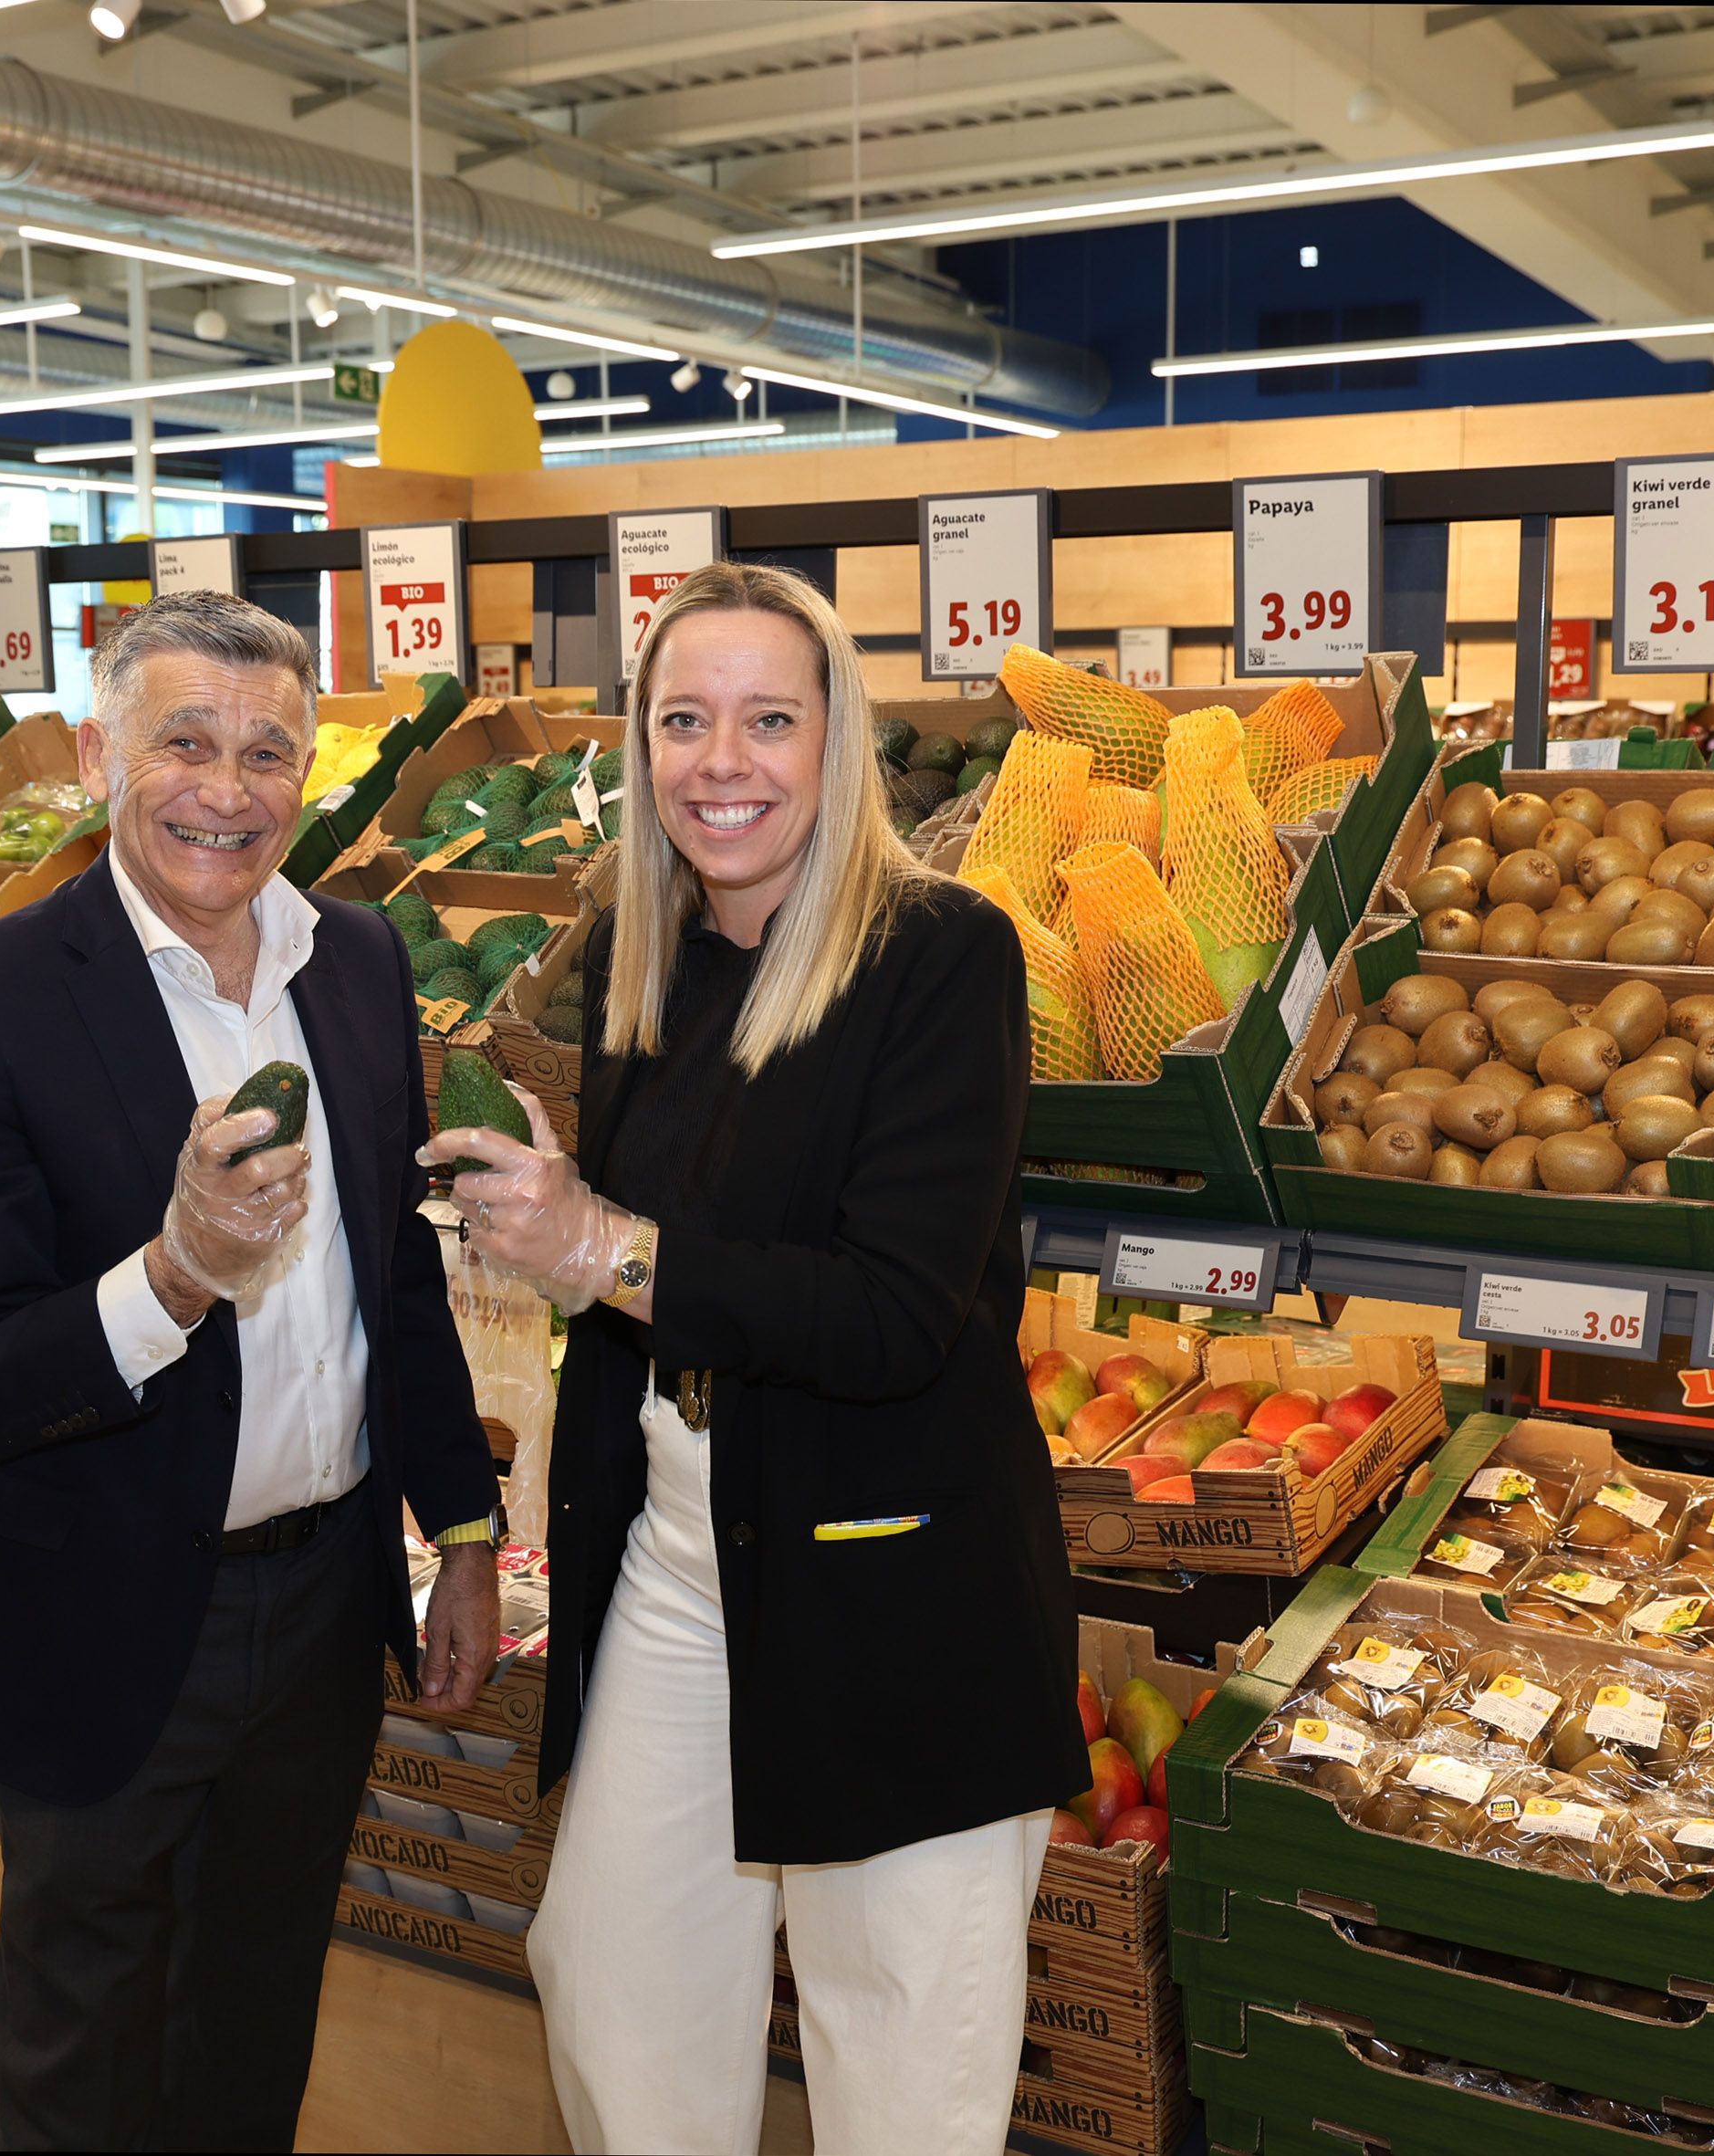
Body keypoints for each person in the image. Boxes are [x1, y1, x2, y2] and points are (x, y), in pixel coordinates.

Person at [430, 561, 1081, 2156]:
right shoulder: (648, 957)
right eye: (686, 719)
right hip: (680, 1553)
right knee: (613, 1983)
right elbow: (667, 1281)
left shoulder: (940, 957)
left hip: (890, 1571)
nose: (725, 759)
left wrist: (601, 1250)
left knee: (901, 2053)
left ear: (838, 739)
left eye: (769, 719)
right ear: (642, 748)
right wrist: (540, 1235)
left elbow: (890, 1312)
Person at [0, 592, 506, 2152]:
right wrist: (174, 1275)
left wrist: (467, 1532)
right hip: (105, 1601)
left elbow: (396, 1277)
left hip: (324, 1603)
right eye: (185, 742)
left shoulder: (349, 960)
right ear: (99, 754)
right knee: (89, 2034)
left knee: (257, 2003)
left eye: (267, 750)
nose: (227, 789)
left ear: (310, 773)